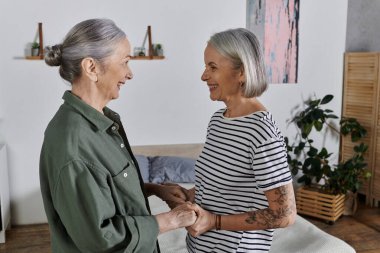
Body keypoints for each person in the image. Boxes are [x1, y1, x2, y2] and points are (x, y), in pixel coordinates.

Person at [39, 18, 197, 253]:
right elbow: (101, 238)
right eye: (125, 62)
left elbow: (106, 188)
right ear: (91, 68)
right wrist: (173, 220)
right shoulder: (73, 143)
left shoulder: (99, 123)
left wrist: (154, 189)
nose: (129, 73)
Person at [184, 28, 297, 252]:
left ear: (242, 72)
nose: (204, 76)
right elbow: (222, 187)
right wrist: (189, 195)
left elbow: (285, 214)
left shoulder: (261, 131)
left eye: (212, 67)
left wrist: (214, 221)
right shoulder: (218, 120)